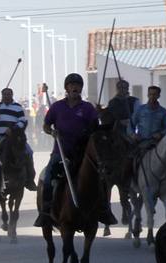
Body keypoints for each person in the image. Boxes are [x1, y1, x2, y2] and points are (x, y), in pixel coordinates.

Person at [35, 72, 114, 227]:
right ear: (66, 88)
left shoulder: (87, 108)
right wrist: (52, 132)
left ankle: (104, 210)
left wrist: (101, 115)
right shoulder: (57, 106)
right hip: (61, 152)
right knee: (49, 176)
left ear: (81, 88)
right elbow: (46, 125)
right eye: (71, 85)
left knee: (102, 178)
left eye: (77, 85)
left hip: (83, 153)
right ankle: (45, 212)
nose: (74, 88)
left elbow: (95, 128)